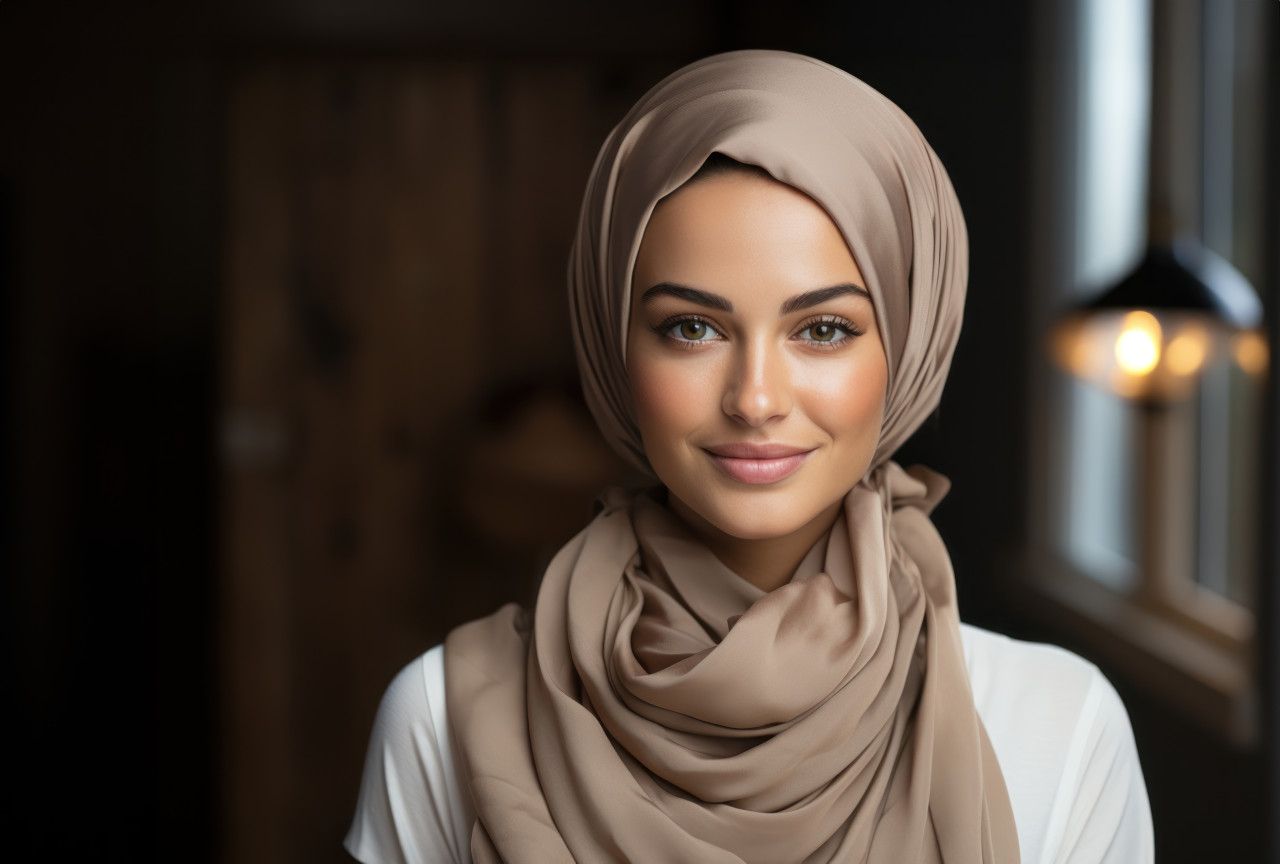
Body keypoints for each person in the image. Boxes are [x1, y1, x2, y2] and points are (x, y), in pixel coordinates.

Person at [345, 50, 1154, 863]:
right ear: (612, 346)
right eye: (691, 328)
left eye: (824, 329)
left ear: (907, 350)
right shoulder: (442, 721)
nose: (756, 398)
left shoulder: (1061, 727)